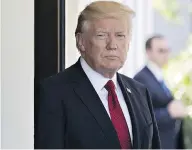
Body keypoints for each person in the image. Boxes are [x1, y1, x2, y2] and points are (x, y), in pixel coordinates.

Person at [35, 1, 160, 149]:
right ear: (81, 42)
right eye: (102, 35)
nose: (112, 45)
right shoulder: (54, 92)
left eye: (120, 35)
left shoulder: (140, 92)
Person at [134, 35, 186, 149]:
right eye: (161, 51)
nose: (166, 54)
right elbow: (141, 118)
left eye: (167, 50)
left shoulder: (160, 76)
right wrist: (169, 113)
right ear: (148, 52)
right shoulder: (140, 79)